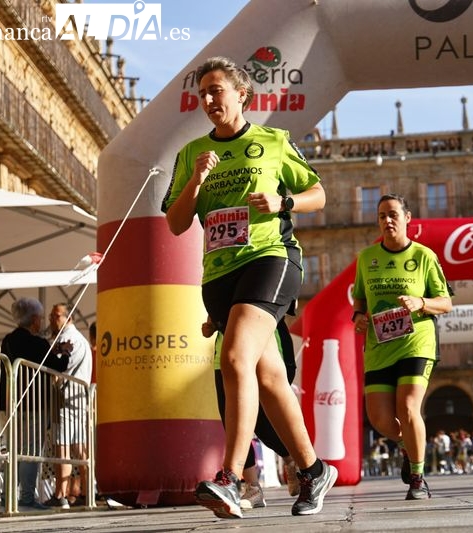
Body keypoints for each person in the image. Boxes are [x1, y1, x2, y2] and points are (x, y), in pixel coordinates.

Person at [162, 56, 335, 519]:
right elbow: (177, 224)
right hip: (219, 275)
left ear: (242, 95)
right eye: (202, 94)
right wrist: (196, 181)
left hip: (270, 258)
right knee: (269, 377)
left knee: (235, 357)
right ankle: (314, 470)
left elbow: (319, 194)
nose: (209, 100)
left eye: (217, 90)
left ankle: (232, 478)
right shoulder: (191, 154)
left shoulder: (272, 142)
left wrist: (285, 200)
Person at [351, 193, 452, 500]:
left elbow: (445, 302)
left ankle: (418, 478)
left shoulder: (423, 256)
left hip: (415, 342)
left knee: (408, 407)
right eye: (382, 215)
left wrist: (420, 302)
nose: (387, 220)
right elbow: (360, 299)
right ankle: (411, 445)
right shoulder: (367, 258)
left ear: (408, 218)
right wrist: (357, 316)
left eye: (393, 214)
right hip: (380, 346)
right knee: (380, 419)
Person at [202, 317, 300, 510]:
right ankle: (252, 488)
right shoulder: (217, 287)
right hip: (223, 357)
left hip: (261, 352)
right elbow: (212, 320)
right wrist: (211, 325)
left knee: (262, 422)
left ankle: (292, 460)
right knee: (232, 423)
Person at [0, 298, 68, 510]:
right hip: (34, 404)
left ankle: (8, 494)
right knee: (30, 452)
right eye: (39, 318)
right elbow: (57, 366)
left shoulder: (8, 340)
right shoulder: (38, 343)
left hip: (10, 403)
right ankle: (27, 497)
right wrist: (64, 352)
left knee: (14, 450)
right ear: (35, 320)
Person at [45, 303, 92, 509]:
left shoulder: (67, 339)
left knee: (62, 447)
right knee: (79, 447)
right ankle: (88, 492)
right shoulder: (80, 339)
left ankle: (60, 494)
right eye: (50, 316)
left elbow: (57, 367)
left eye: (56, 316)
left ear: (68, 318)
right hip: (78, 398)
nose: (51, 320)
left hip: (65, 398)